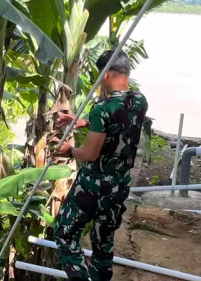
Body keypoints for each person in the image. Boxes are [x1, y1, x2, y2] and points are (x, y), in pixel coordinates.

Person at [50, 50, 148, 280]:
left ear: (106, 75)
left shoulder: (102, 109)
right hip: (120, 183)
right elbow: (120, 125)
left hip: (95, 185)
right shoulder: (140, 101)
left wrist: (69, 151)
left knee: (64, 233)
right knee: (103, 239)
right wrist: (84, 122)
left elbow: (90, 154)